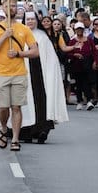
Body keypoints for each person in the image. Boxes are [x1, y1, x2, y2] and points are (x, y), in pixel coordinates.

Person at [0, 0, 39, 151]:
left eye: (14, 6)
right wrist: (4, 36)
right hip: (2, 73)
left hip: (19, 73)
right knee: (3, 107)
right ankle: (3, 128)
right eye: (8, 6)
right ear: (2, 8)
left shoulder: (24, 29)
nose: (11, 8)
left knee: (16, 107)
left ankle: (15, 138)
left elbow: (35, 51)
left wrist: (19, 54)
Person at [15, 12, 68, 143]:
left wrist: (50, 75)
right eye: (28, 19)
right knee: (26, 103)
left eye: (33, 19)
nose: (30, 21)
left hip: (41, 75)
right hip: (24, 73)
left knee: (41, 102)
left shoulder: (43, 37)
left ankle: (41, 130)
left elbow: (51, 60)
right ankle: (26, 130)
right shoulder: (19, 35)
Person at [64, 21, 98, 110]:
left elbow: (94, 52)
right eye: (77, 29)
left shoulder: (89, 40)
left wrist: (96, 61)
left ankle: (89, 100)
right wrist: (75, 55)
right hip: (76, 65)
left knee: (87, 83)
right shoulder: (72, 41)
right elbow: (68, 53)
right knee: (78, 84)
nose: (79, 31)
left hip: (87, 64)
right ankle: (79, 101)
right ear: (75, 30)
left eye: (81, 29)